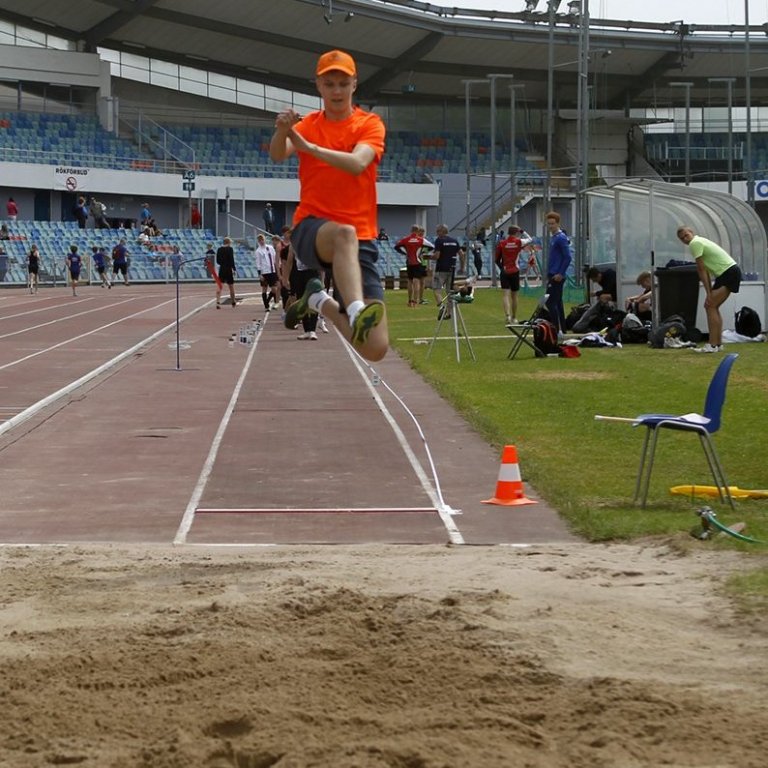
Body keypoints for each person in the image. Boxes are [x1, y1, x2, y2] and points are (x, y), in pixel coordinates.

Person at [269, 48, 388, 362]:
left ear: (354, 85)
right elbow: (278, 154)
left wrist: (311, 148)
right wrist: (282, 132)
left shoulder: (369, 124)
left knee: (375, 348)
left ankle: (319, 301)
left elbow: (357, 163)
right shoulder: (308, 124)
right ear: (319, 86)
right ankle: (357, 309)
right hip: (312, 228)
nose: (336, 90)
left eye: (342, 83)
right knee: (343, 234)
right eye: (329, 83)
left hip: (362, 238)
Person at [676, 226, 742, 353]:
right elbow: (704, 270)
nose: (685, 239)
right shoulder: (699, 242)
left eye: (686, 235)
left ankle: (712, 345)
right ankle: (717, 344)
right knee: (713, 306)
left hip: (728, 272)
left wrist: (708, 293)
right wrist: (709, 291)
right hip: (726, 273)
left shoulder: (695, 243)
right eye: (682, 238)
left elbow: (701, 269)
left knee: (710, 305)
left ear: (691, 232)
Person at [495, 225, 533, 325]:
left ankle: (507, 316)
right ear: (517, 233)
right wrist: (523, 231)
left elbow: (496, 259)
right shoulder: (519, 242)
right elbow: (530, 239)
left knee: (505, 295)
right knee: (514, 296)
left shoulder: (502, 243)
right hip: (515, 271)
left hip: (505, 271)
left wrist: (502, 268)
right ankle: (514, 317)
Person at [544, 211, 572, 335]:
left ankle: (556, 328)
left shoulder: (561, 238)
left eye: (553, 224)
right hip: (552, 273)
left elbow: (568, 257)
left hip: (557, 276)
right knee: (557, 302)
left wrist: (560, 273)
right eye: (549, 224)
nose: (551, 226)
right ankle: (562, 329)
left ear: (558, 223)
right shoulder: (554, 237)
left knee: (550, 301)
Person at [395, 225, 433, 308]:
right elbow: (431, 247)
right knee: (417, 281)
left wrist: (405, 252)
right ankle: (416, 301)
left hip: (409, 262)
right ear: (418, 231)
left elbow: (396, 246)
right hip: (418, 262)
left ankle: (410, 300)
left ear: (411, 230)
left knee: (410, 281)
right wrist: (421, 253)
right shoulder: (421, 240)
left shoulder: (406, 239)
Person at [430, 224, 463, 319]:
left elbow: (437, 256)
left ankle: (441, 306)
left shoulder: (439, 241)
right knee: (449, 292)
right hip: (452, 268)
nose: (437, 233)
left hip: (441, 268)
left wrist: (429, 257)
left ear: (441, 231)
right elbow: (461, 254)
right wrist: (462, 267)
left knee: (436, 289)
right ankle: (449, 313)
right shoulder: (454, 241)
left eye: (437, 231)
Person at [254, 232, 279, 311]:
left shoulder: (270, 247)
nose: (262, 241)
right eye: (260, 240)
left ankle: (269, 301)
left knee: (274, 289)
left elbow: (275, 257)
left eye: (263, 240)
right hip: (264, 272)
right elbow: (258, 263)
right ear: (258, 241)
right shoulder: (258, 251)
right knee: (264, 288)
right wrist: (260, 274)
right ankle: (266, 306)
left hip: (272, 270)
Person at [216, 236, 238, 308]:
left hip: (222, 268)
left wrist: (222, 263)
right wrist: (234, 269)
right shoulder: (230, 249)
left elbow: (218, 261)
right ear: (228, 243)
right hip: (228, 269)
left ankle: (218, 301)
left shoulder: (219, 249)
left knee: (220, 285)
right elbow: (231, 259)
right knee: (231, 286)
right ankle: (233, 301)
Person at [203, 241, 222, 308]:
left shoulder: (213, 252)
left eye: (209, 246)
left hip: (212, 264)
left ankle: (214, 280)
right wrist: (205, 264)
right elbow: (205, 259)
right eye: (208, 246)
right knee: (209, 273)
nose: (208, 247)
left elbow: (214, 258)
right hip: (208, 264)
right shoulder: (207, 252)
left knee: (213, 273)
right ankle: (210, 279)